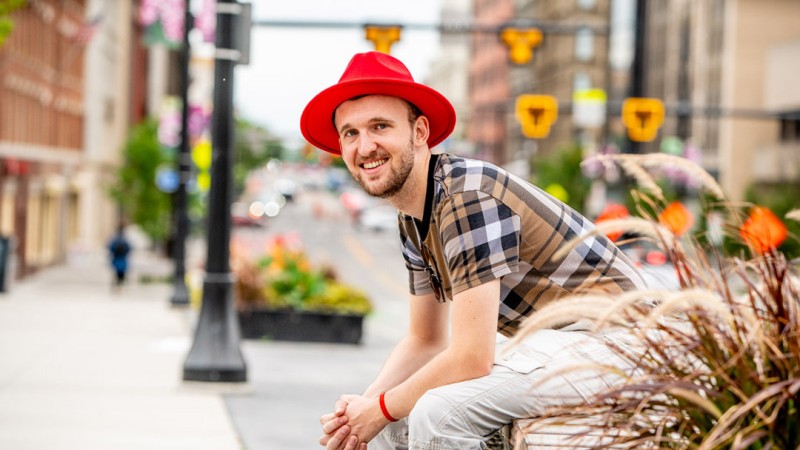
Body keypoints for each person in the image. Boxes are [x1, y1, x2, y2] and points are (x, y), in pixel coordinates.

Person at [301, 52, 646, 450]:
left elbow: (471, 356)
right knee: (396, 416)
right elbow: (424, 340)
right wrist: (363, 409)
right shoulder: (413, 214)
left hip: (619, 342)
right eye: (350, 133)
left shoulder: (466, 196)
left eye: (380, 126)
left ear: (419, 132)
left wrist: (380, 407)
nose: (366, 146)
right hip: (553, 344)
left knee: (435, 412)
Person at [107, 225, 131, 290]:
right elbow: (129, 248)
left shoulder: (115, 239)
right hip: (122, 259)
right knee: (121, 273)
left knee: (117, 272)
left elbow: (110, 248)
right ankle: (120, 285)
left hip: (117, 258)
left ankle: (117, 285)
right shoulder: (125, 239)